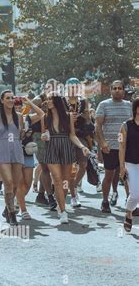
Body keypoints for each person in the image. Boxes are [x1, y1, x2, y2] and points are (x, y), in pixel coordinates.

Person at [41, 92, 91, 224]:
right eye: (47, 99)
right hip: (52, 148)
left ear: (57, 101)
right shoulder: (45, 117)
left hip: (66, 148)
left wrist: (82, 147)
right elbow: (43, 134)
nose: (48, 101)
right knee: (57, 179)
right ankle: (63, 211)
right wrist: (44, 136)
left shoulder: (68, 116)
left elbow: (72, 135)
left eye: (51, 99)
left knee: (65, 181)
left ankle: (60, 203)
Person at [96, 81, 132, 213]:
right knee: (109, 174)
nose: (117, 90)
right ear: (111, 90)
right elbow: (98, 126)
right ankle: (105, 201)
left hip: (127, 147)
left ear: (123, 91)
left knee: (128, 175)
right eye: (114, 88)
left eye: (120, 88)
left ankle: (130, 204)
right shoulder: (104, 105)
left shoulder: (129, 106)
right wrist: (102, 143)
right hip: (110, 147)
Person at [0, 91, 24, 225]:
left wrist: (24, 132)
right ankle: (12, 213)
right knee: (8, 182)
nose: (10, 100)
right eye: (7, 98)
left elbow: (20, 135)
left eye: (12, 98)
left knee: (15, 184)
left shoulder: (19, 116)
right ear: (2, 101)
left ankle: (7, 207)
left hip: (16, 148)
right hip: (2, 149)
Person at [64, 77, 91, 208]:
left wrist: (87, 118)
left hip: (79, 135)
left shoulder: (83, 101)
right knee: (69, 168)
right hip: (65, 135)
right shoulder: (62, 101)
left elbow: (89, 121)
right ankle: (73, 196)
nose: (73, 90)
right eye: (71, 87)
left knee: (84, 163)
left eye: (75, 87)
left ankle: (73, 186)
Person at [16, 97, 45, 220]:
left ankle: (18, 200)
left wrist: (30, 102)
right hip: (15, 153)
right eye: (15, 107)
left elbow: (41, 114)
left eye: (20, 107)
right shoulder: (8, 119)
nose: (18, 109)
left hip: (27, 152)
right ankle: (23, 209)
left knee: (28, 183)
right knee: (20, 182)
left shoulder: (28, 118)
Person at [31, 80, 58, 211]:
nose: (52, 89)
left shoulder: (56, 99)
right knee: (45, 166)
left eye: (55, 87)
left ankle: (41, 195)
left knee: (46, 168)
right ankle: (49, 196)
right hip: (38, 135)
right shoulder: (38, 99)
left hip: (52, 134)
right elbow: (27, 115)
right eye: (49, 87)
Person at [120, 98, 139, 232]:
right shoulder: (126, 125)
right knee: (135, 194)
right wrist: (122, 166)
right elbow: (121, 146)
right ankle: (128, 213)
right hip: (131, 163)